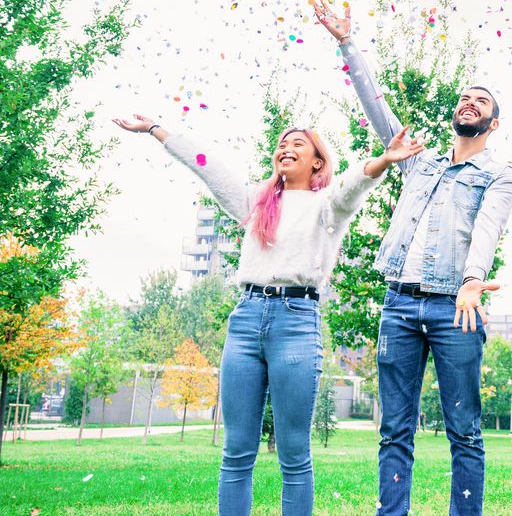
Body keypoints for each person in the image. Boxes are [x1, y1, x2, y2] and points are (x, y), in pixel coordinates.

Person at [112, 114, 421, 516]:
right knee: (237, 450)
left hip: (296, 322)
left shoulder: (325, 206)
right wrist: (158, 130)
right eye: (282, 144)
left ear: (316, 161)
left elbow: (352, 185)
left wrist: (383, 160)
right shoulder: (255, 202)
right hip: (245, 321)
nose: (285, 149)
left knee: (294, 453)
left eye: (297, 144)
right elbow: (209, 167)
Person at [313, 0, 512, 516]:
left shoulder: (499, 174)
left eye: (481, 101)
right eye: (465, 98)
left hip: (456, 308)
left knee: (464, 431)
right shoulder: (417, 162)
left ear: (494, 122)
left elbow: (487, 231)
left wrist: (473, 279)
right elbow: (376, 109)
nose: (470, 103)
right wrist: (346, 43)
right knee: (394, 430)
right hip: (399, 307)